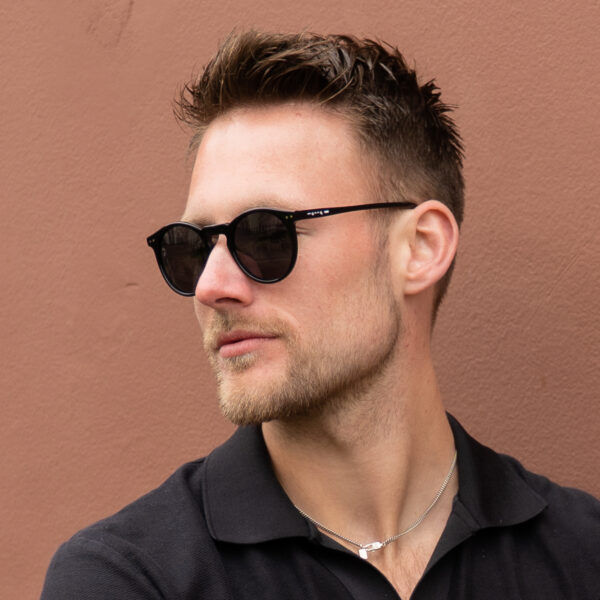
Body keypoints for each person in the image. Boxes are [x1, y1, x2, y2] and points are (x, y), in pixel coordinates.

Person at [41, 30, 600, 600]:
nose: (210, 286)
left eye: (265, 234)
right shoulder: (128, 579)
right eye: (192, 246)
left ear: (420, 248)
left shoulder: (583, 556)